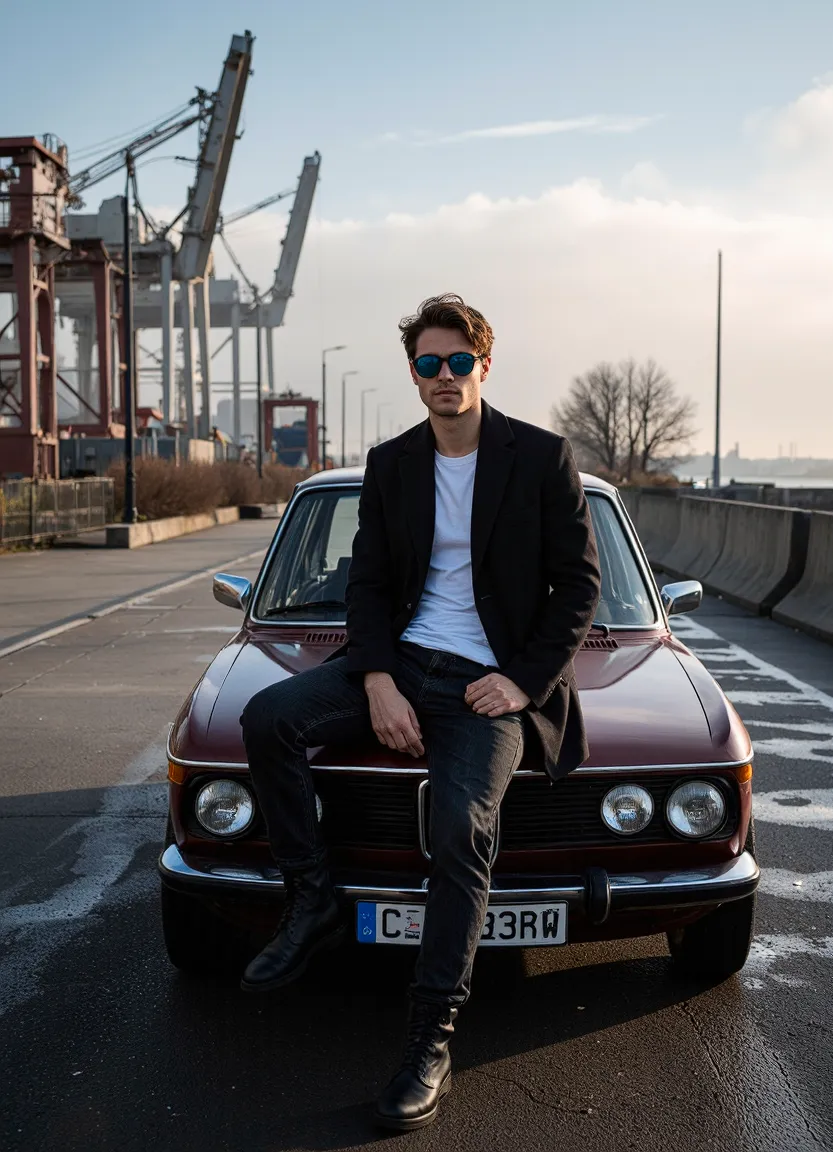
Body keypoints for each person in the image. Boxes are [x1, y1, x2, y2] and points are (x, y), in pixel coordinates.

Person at [239, 293, 601, 1130]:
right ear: (414, 374)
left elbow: (578, 587)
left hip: (489, 683)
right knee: (269, 719)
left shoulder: (541, 458)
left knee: (459, 828)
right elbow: (366, 583)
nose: (445, 376)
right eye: (429, 364)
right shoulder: (393, 462)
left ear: (484, 364)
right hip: (401, 663)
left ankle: (429, 1040)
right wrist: (374, 680)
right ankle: (313, 896)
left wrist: (521, 680)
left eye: (459, 361)